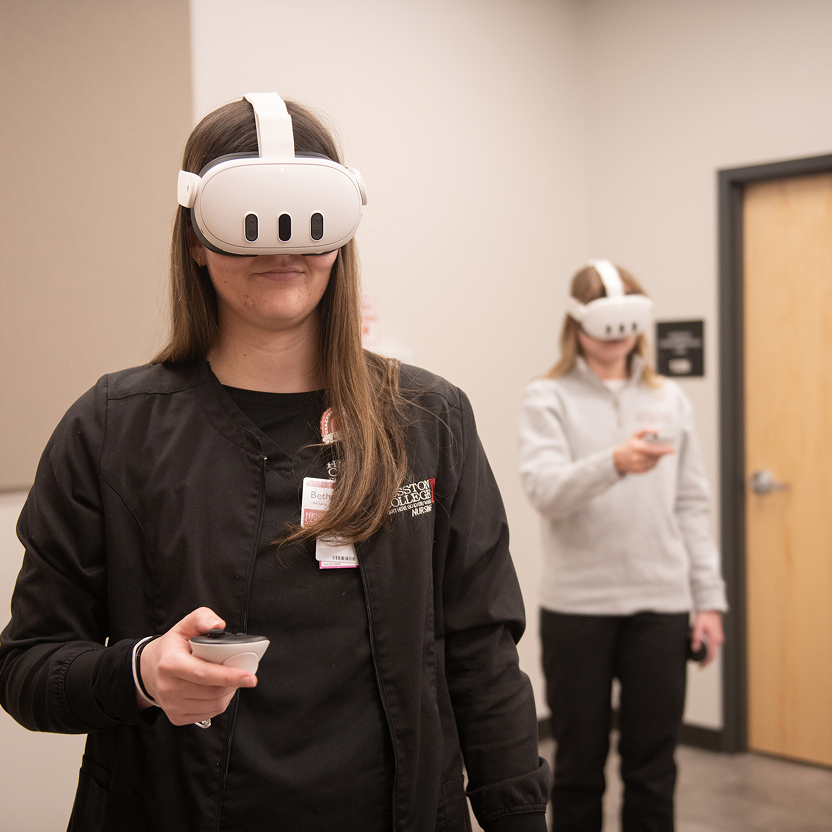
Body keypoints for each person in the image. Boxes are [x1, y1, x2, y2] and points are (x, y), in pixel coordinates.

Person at [0, 94, 551, 832]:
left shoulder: (427, 419)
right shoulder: (112, 429)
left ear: (343, 231)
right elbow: (28, 668)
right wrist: (139, 674)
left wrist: (517, 814)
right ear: (196, 239)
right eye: (246, 221)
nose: (280, 244)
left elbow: (483, 655)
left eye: (308, 217)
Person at [518, 261, 727, 832]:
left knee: (653, 770)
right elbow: (545, 490)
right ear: (577, 323)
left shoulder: (670, 400)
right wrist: (614, 462)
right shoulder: (548, 397)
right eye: (605, 327)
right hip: (579, 607)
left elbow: (691, 504)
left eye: (628, 327)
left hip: (661, 604)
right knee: (579, 770)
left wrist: (707, 601)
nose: (617, 340)